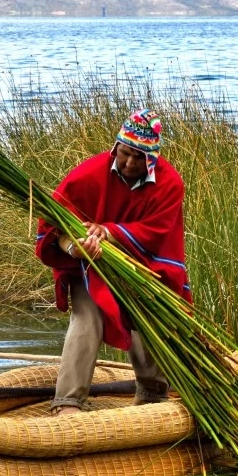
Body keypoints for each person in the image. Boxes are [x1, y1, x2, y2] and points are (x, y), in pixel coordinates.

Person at [34, 109, 192, 416]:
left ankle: (152, 393)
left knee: (148, 313)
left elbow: (158, 232)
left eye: (138, 157)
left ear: (152, 158)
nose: (130, 163)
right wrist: (74, 249)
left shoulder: (169, 183)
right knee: (88, 313)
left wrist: (109, 232)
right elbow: (53, 229)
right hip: (90, 265)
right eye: (125, 153)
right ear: (116, 146)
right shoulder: (87, 175)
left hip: (144, 268)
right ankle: (68, 401)